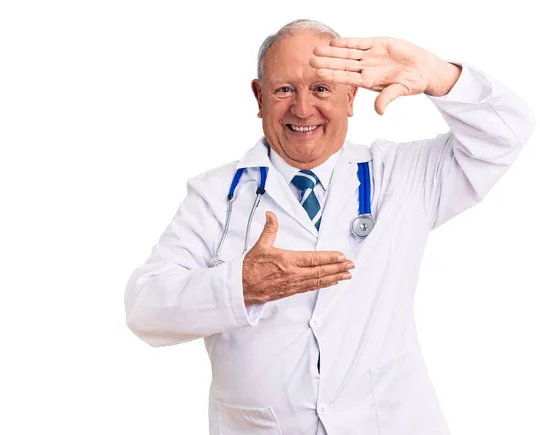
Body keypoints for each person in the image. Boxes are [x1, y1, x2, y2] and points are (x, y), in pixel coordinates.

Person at [124, 19, 535, 435]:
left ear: (350, 96)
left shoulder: (402, 176)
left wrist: (438, 75)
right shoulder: (217, 196)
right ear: (259, 97)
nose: (303, 109)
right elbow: (145, 309)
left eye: (321, 89)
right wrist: (241, 285)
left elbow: (506, 134)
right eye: (284, 89)